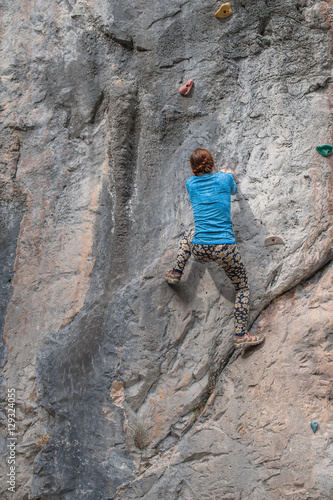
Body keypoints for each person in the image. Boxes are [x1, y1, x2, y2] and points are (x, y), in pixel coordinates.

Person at [165, 148, 264, 348]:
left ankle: (177, 271)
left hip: (200, 248)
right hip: (224, 247)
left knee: (189, 234)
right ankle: (240, 335)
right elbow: (234, 190)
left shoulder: (190, 184)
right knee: (242, 287)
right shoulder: (223, 179)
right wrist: (229, 174)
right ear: (211, 163)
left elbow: (201, 183)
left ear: (193, 168)